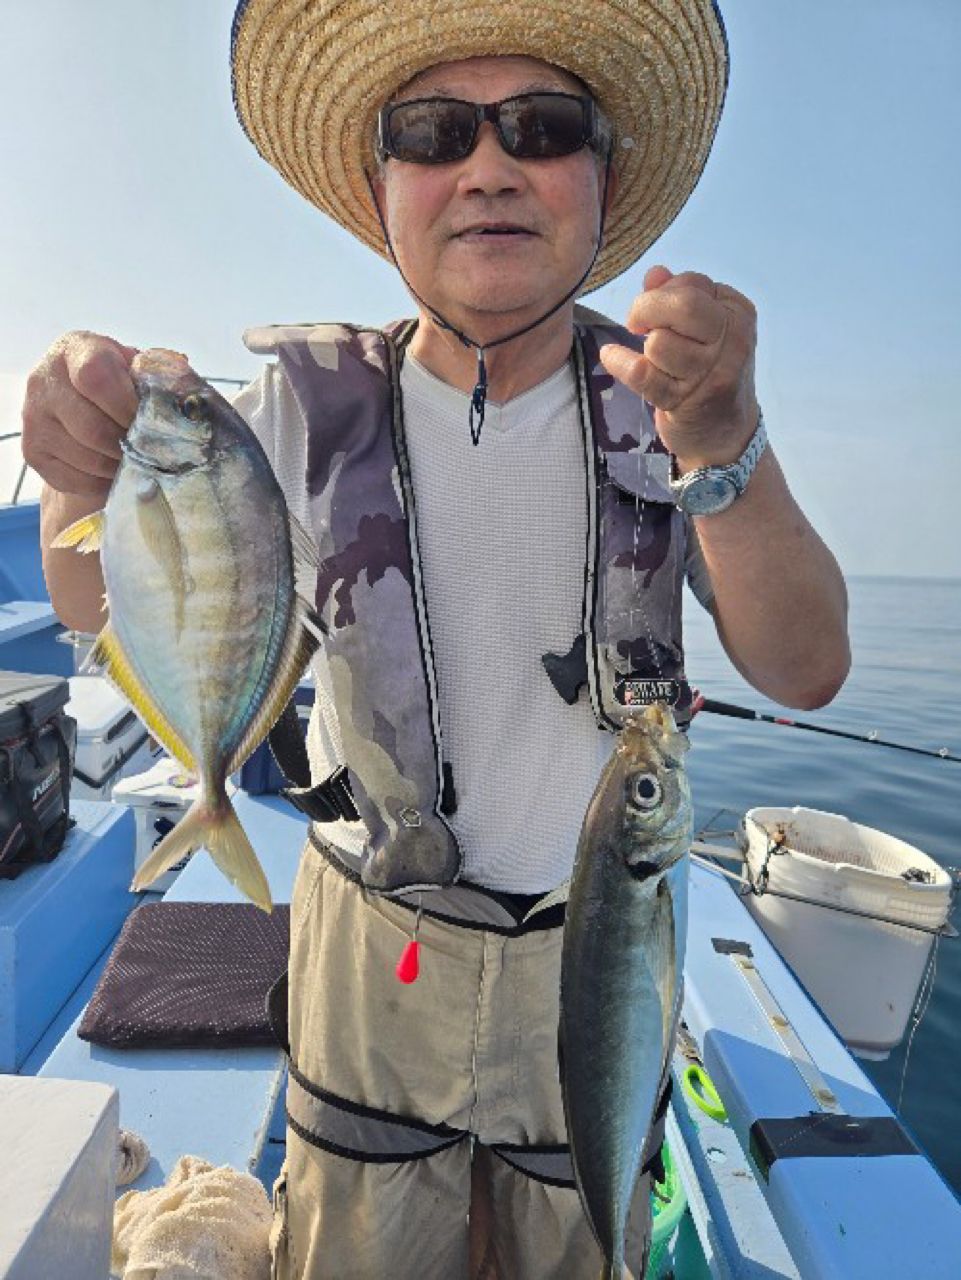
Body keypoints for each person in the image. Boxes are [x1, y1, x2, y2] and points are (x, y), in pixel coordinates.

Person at [23, 2, 850, 1276]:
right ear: (380, 186)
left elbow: (805, 666)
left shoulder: (674, 406)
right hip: (371, 938)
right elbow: (94, 606)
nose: (488, 164)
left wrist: (728, 436)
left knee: (576, 1241)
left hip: (602, 941)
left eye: (543, 124)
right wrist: (77, 470)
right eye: (431, 130)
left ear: (602, 176)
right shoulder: (290, 415)